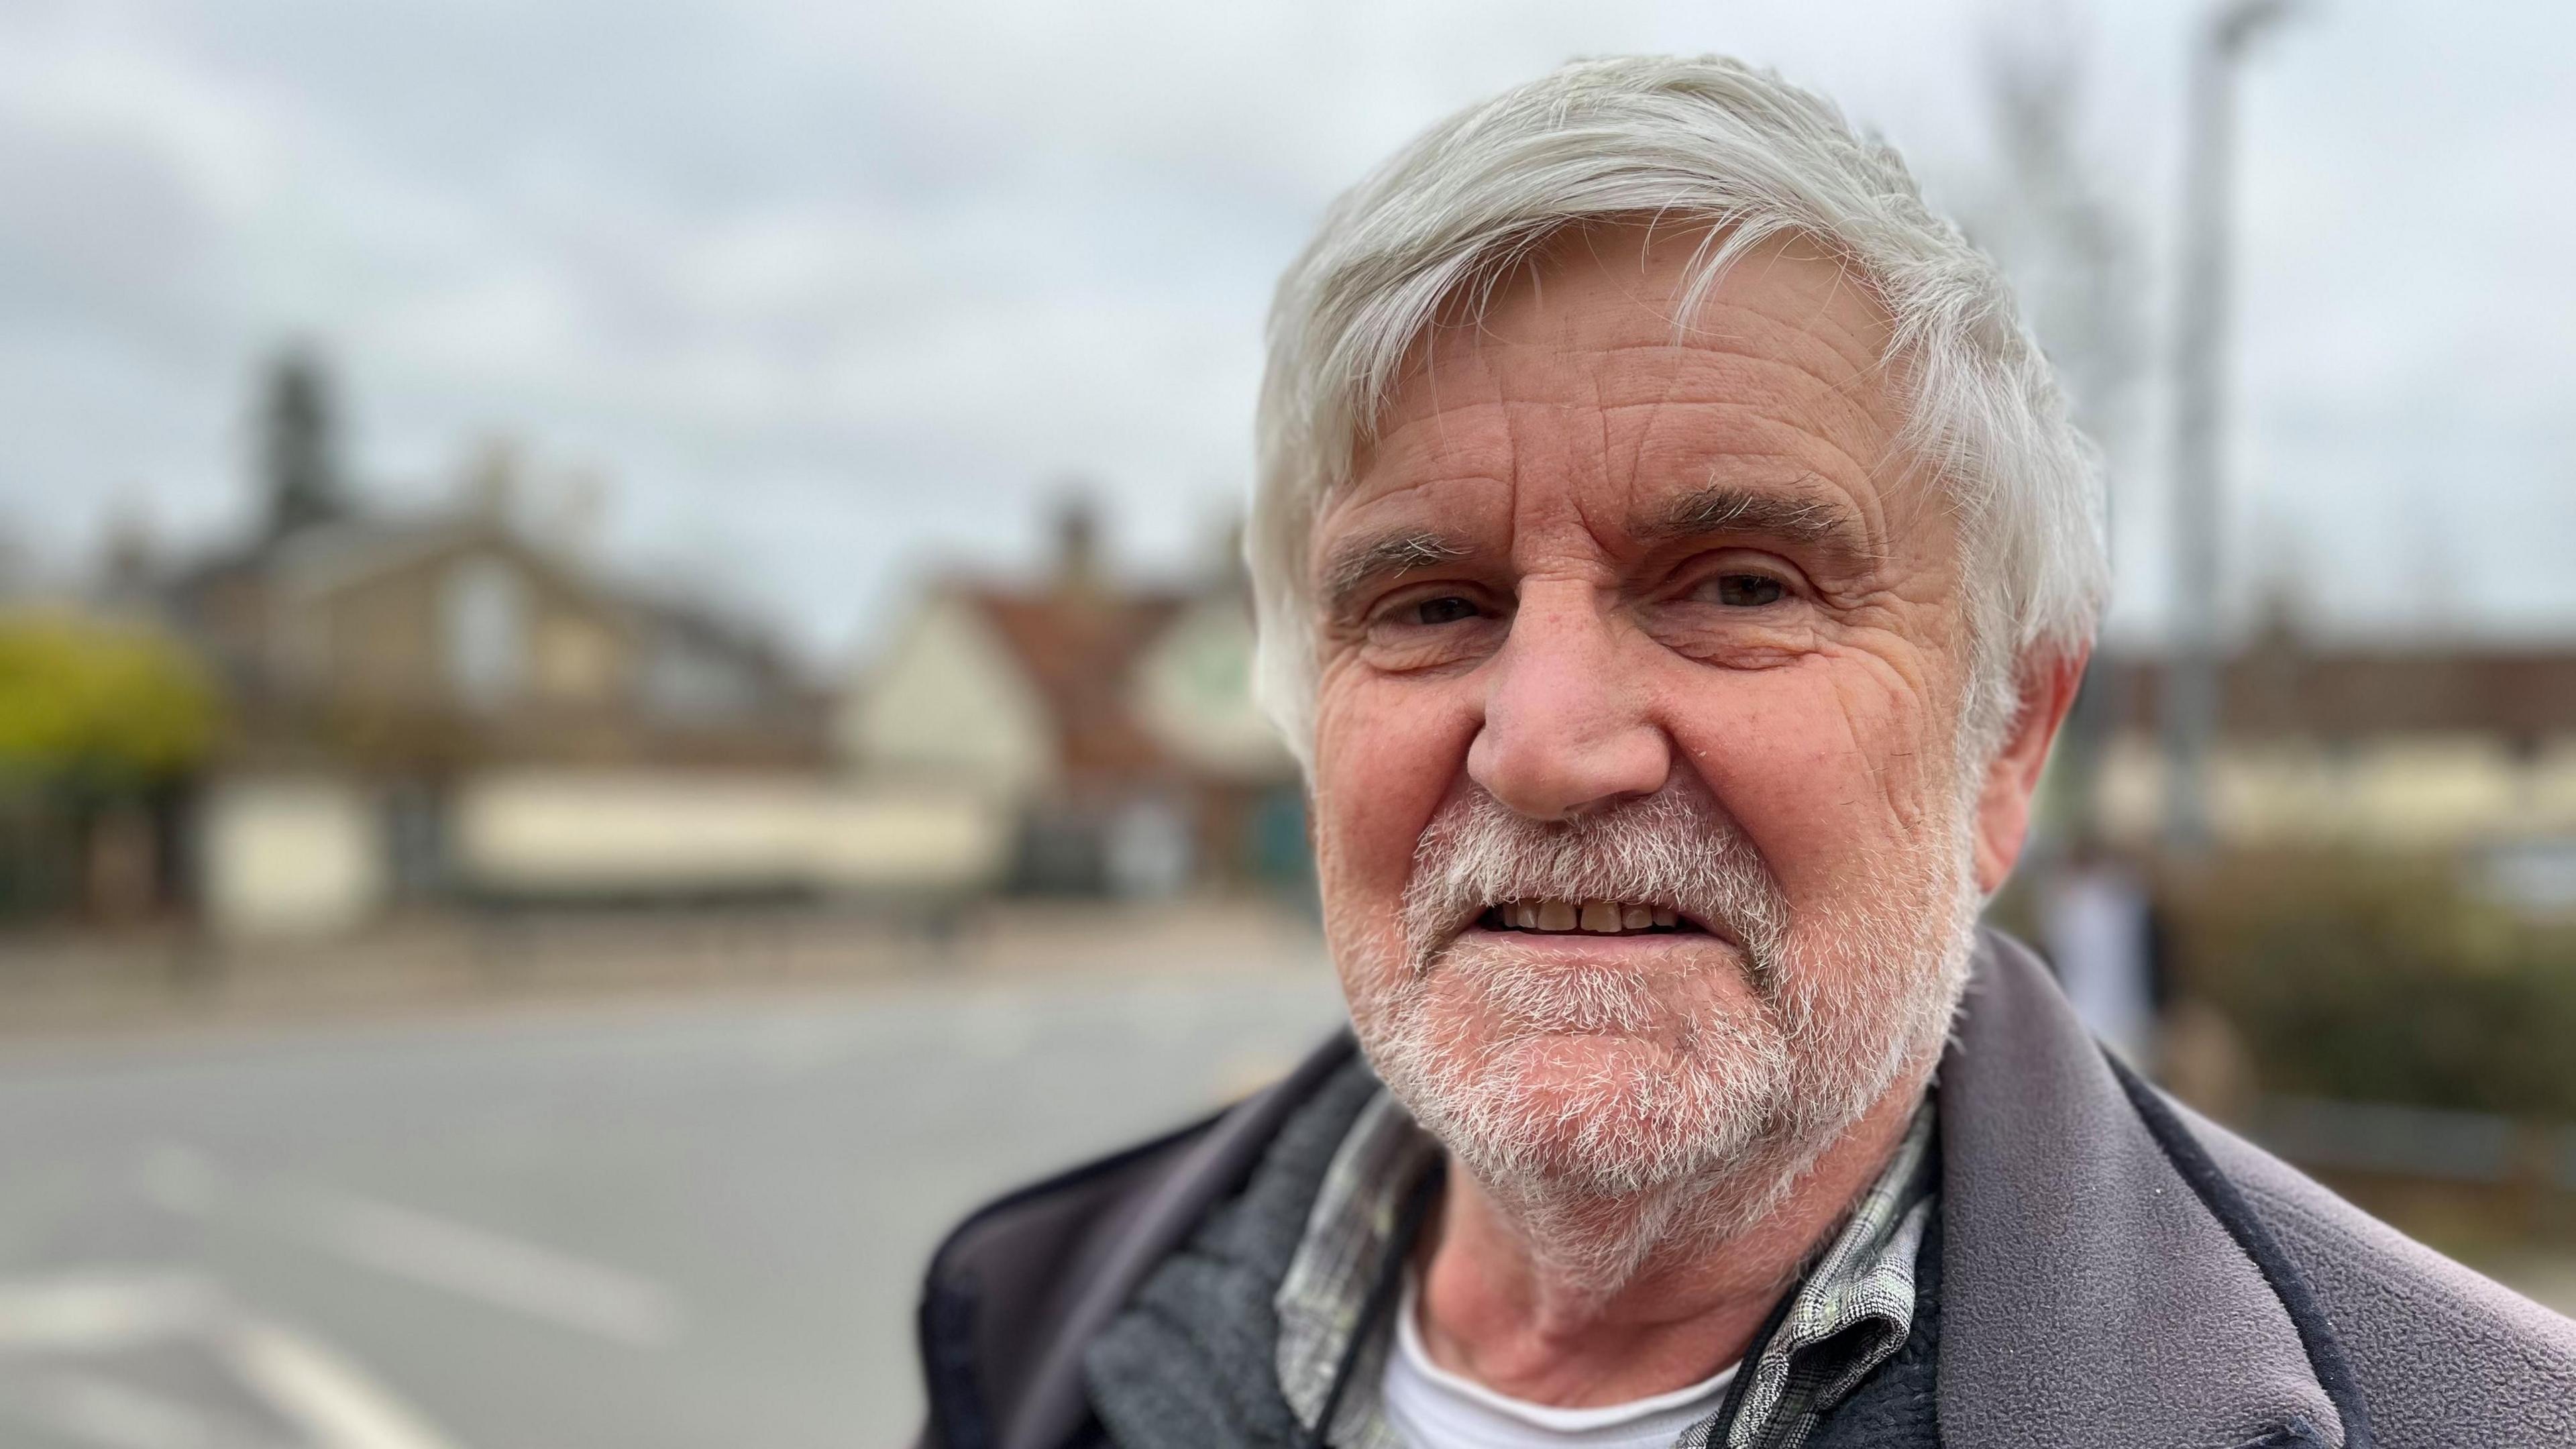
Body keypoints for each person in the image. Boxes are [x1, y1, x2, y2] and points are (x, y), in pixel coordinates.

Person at [910, 56, 2576, 1449]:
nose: (1547, 746)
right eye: (1429, 605)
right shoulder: (1041, 1325)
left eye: (1737, 586)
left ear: (2008, 743)